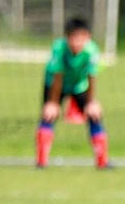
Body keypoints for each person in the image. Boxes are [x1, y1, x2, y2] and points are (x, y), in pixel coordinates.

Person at [35, 17, 109, 168]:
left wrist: (90, 102)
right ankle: (41, 162)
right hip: (55, 85)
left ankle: (102, 162)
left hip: (79, 86)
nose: (77, 42)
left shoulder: (91, 50)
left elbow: (91, 75)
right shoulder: (59, 48)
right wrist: (53, 103)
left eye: (81, 38)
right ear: (66, 38)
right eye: (73, 38)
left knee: (94, 116)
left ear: (88, 37)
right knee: (48, 115)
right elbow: (57, 75)